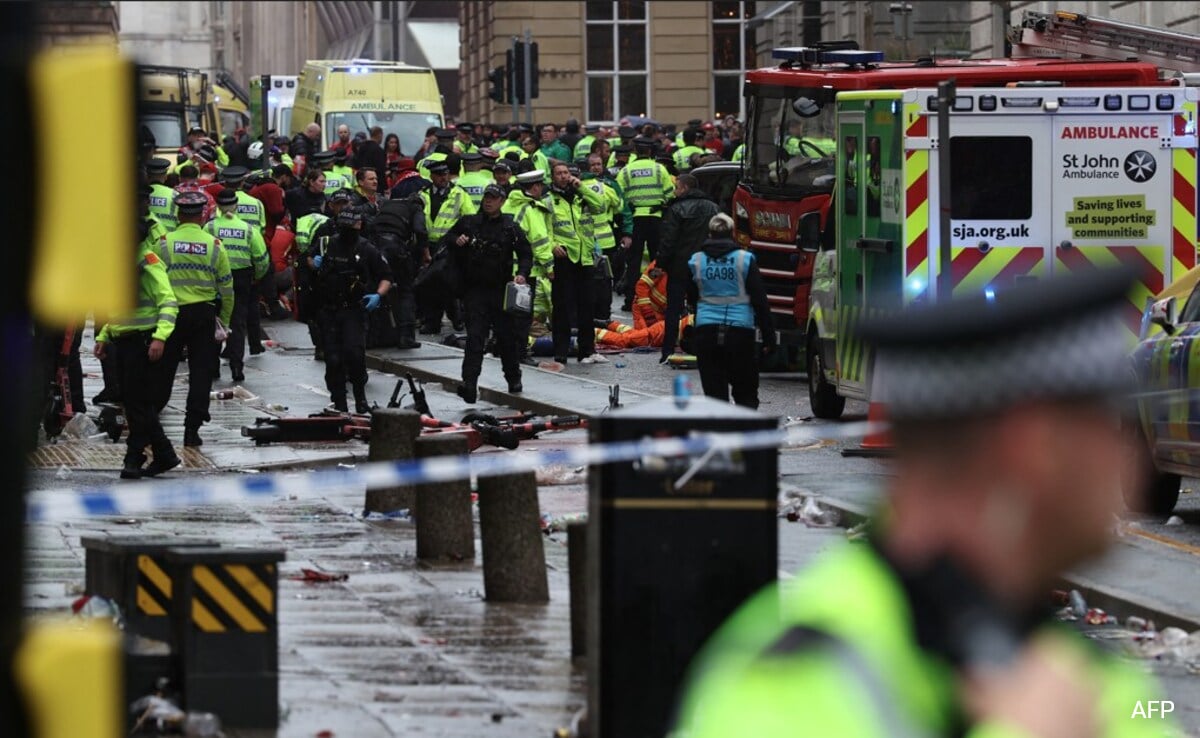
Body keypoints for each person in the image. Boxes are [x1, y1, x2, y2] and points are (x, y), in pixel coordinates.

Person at [675, 267, 1175, 738]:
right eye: (1109, 429)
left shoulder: (1082, 672)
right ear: (1035, 448)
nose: (1126, 463)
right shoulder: (795, 681)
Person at [95, 206, 180, 479]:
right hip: (124, 342)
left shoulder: (148, 260)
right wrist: (105, 335)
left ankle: (134, 458)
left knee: (138, 404)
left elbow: (168, 301)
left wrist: (160, 336)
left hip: (143, 342)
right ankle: (164, 454)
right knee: (136, 404)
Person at [156, 191, 234, 447]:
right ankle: (192, 430)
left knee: (163, 371)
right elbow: (226, 288)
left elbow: (152, 281)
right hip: (204, 315)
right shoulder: (215, 245)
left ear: (178, 215)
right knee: (201, 374)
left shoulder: (164, 243)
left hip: (171, 315)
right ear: (202, 215)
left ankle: (152, 422)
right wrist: (223, 320)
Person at [442, 184, 533, 402]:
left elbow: (525, 254)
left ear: (502, 201)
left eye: (493, 198)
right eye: (486, 197)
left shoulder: (510, 227)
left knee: (506, 339)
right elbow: (448, 237)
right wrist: (458, 240)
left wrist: (521, 274)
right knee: (475, 339)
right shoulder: (470, 222)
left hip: (501, 291)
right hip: (475, 291)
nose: (488, 201)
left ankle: (513, 378)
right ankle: (470, 384)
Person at [684, 213, 773, 408]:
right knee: (745, 391)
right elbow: (760, 300)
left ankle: (721, 433)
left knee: (715, 394)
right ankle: (743, 432)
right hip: (740, 331)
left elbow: (691, 295)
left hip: (706, 331)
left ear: (710, 233)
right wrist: (768, 336)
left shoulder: (696, 261)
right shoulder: (745, 259)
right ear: (732, 233)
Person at [309, 208, 392, 413]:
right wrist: (314, 264)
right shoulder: (326, 243)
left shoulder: (366, 249)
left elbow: (386, 276)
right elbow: (307, 259)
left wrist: (378, 295)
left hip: (353, 311)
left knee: (354, 355)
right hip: (328, 310)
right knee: (333, 359)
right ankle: (339, 401)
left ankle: (360, 397)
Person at [548, 162, 608, 365]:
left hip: (585, 258)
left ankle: (587, 351)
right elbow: (543, 227)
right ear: (552, 177)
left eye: (567, 173)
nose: (564, 176)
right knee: (562, 308)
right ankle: (561, 352)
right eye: (559, 173)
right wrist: (552, 245)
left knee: (587, 306)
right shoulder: (549, 199)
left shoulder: (581, 195)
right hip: (564, 258)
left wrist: (581, 187)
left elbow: (601, 206)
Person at [206, 188, 268, 382]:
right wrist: (256, 277)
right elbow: (261, 259)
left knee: (213, 322)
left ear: (217, 206)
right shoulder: (249, 230)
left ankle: (213, 368)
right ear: (236, 206)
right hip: (241, 279)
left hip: (214, 280)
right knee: (237, 324)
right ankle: (236, 368)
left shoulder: (209, 228)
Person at [658, 173, 720, 363]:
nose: (675, 191)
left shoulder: (676, 209)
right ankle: (705, 350)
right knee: (704, 309)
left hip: (679, 267)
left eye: (677, 187)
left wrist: (661, 263)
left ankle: (668, 350)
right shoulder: (713, 208)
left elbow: (668, 240)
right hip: (704, 266)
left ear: (684, 188)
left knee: (673, 310)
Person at [503, 169, 555, 364]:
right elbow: (540, 242)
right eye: (540, 186)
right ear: (535, 187)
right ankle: (520, 353)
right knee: (523, 315)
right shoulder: (531, 209)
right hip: (527, 271)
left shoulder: (509, 203)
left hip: (506, 268)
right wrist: (550, 268)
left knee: (506, 313)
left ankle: (502, 349)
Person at [616, 136, 674, 310]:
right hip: (656, 218)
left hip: (635, 220)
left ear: (635, 151)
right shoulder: (659, 169)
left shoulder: (626, 171)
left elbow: (619, 198)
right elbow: (670, 194)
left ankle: (631, 300)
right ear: (650, 151)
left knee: (634, 262)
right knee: (658, 260)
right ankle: (657, 298)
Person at [418, 160, 476, 333]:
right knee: (430, 284)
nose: (443, 178)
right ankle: (432, 322)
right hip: (429, 244)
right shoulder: (423, 194)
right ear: (432, 176)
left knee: (448, 283)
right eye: (439, 175)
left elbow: (470, 218)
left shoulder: (459, 193)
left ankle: (456, 318)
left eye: (445, 174)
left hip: (451, 246)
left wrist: (462, 236)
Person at [373, 187, 427, 350]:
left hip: (375, 247)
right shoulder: (415, 207)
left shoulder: (387, 205)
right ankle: (406, 336)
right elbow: (420, 230)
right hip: (396, 249)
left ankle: (375, 334)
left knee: (378, 289)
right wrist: (424, 252)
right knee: (405, 291)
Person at [581, 154, 629, 322]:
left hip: (590, 243)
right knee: (603, 283)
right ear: (586, 167)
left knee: (592, 283)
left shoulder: (574, 187)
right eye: (592, 164)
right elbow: (621, 209)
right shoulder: (607, 187)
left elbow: (623, 212)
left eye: (599, 164)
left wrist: (626, 233)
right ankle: (602, 316)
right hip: (604, 241)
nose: (596, 167)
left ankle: (591, 316)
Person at [631, 260, 667, 330]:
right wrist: (647, 312)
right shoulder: (662, 263)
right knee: (642, 337)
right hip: (643, 309)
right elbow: (642, 286)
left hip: (661, 314)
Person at [146, 158, 178, 231]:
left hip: (145, 239)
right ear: (165, 176)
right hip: (167, 239)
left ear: (147, 175)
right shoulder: (175, 195)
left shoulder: (140, 195)